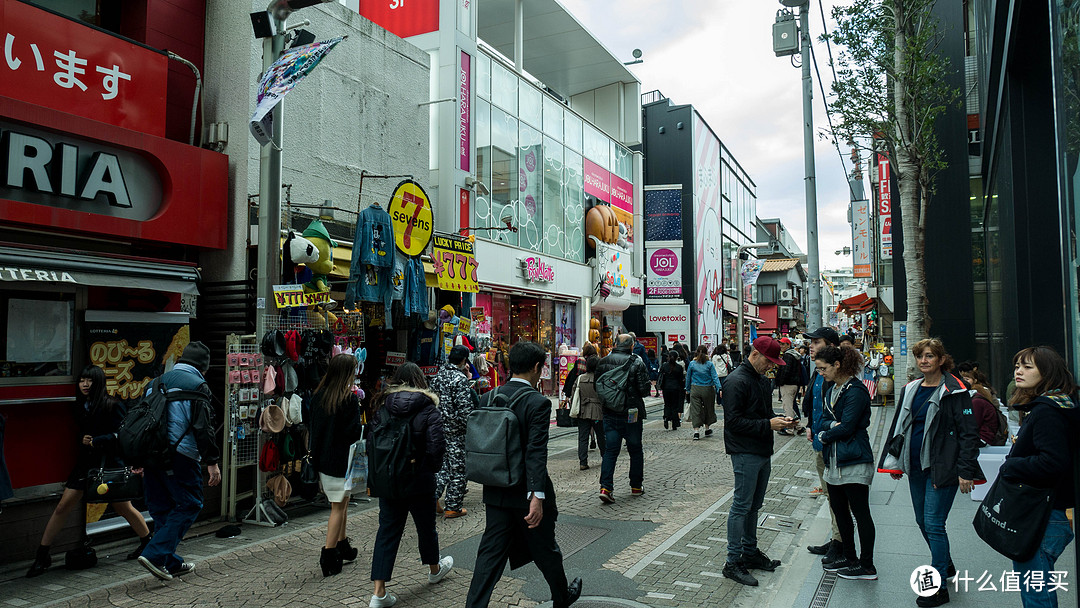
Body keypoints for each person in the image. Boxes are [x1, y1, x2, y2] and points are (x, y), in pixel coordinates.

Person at [465, 341, 582, 608]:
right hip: (525, 493)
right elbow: (536, 453)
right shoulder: (538, 403)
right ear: (537, 367)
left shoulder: (488, 397)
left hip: (495, 491)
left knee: (489, 557)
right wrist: (536, 495)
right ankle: (562, 599)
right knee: (545, 550)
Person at [878, 338, 981, 608]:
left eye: (929, 356)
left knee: (934, 524)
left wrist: (965, 471)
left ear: (941, 359)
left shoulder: (956, 390)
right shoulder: (911, 388)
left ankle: (938, 587)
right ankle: (945, 564)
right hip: (915, 466)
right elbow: (899, 427)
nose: (924, 361)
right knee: (922, 522)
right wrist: (896, 461)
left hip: (943, 467)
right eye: (920, 356)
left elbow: (969, 434)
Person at [25, 366, 152, 578]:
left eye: (89, 380)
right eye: (82, 380)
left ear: (99, 382)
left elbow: (123, 435)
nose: (84, 384)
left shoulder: (113, 405)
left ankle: (147, 542)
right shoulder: (79, 406)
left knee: (124, 508)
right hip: (85, 465)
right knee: (62, 507)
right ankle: (42, 555)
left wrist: (97, 440)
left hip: (108, 464)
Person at [997, 346, 1078, 608]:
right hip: (1055, 510)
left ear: (1048, 371)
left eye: (1028, 366)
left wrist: (1011, 466)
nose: (1018, 371)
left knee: (1036, 591)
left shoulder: (1047, 411)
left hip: (1044, 514)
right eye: (1017, 365)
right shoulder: (1065, 403)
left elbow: (1052, 462)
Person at [368, 362, 451, 608]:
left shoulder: (383, 406)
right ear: (420, 381)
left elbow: (372, 442)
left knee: (387, 531)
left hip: (390, 478)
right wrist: (428, 469)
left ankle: (378, 592)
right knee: (426, 527)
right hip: (419, 479)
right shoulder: (428, 408)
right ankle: (434, 569)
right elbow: (436, 447)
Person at [136, 341, 220, 581]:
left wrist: (138, 457)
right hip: (180, 455)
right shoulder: (197, 385)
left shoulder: (155, 383)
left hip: (152, 455)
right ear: (203, 367)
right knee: (190, 504)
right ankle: (154, 554)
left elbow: (142, 420)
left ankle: (169, 562)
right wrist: (212, 462)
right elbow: (204, 428)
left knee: (162, 507)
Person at [720, 337, 796, 586]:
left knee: (754, 505)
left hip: (762, 449)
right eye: (769, 361)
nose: (770, 366)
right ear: (755, 354)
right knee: (742, 506)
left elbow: (763, 414)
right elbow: (732, 422)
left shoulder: (762, 380)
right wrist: (768, 424)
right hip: (744, 451)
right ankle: (732, 562)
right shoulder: (735, 381)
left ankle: (749, 552)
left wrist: (779, 419)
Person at [813, 345, 877, 580]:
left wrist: (825, 435)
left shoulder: (855, 390)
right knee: (840, 511)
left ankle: (867, 564)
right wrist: (830, 428)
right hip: (835, 459)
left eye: (823, 369)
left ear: (837, 365)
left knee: (861, 513)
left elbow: (849, 426)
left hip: (854, 458)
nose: (821, 373)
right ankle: (849, 557)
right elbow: (824, 420)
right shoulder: (833, 387)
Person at [307, 354, 366, 577]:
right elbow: (352, 432)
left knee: (342, 501)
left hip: (324, 459)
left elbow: (313, 428)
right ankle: (329, 554)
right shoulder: (348, 400)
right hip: (343, 460)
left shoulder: (318, 396)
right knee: (338, 506)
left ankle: (342, 544)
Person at [801, 327, 847, 563]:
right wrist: (810, 424)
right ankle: (836, 539)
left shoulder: (840, 375)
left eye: (816, 341)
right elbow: (813, 401)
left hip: (835, 445)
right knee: (830, 496)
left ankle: (841, 544)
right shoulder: (818, 372)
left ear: (830, 346)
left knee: (837, 497)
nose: (810, 345)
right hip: (820, 441)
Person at [595, 334, 651, 503]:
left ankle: (606, 487)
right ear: (632, 346)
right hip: (631, 413)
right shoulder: (636, 362)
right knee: (635, 450)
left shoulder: (602, 361)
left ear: (615, 344)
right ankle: (635, 486)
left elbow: (597, 386)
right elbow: (644, 390)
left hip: (610, 412)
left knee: (610, 451)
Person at [431, 345, 478, 519]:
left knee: (442, 467)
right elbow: (465, 410)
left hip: (438, 430)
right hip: (456, 432)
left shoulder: (437, 377)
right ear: (464, 360)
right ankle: (453, 506)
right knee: (458, 469)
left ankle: (432, 499)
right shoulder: (459, 379)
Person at [571, 355, 605, 470]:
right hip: (598, 412)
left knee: (582, 437)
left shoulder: (580, 378)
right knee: (601, 435)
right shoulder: (601, 379)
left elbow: (573, 394)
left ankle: (583, 462)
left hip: (583, 411)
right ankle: (605, 457)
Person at [685, 344, 722, 440]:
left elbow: (688, 377)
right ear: (707, 353)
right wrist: (719, 388)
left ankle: (696, 431)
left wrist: (688, 389)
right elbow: (714, 377)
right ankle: (707, 428)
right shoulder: (709, 364)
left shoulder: (692, 364)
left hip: (695, 388)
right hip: (708, 389)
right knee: (708, 408)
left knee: (696, 409)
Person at [776, 338, 804, 435]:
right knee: (790, 406)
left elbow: (785, 370)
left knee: (787, 407)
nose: (781, 346)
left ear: (788, 345)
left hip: (787, 384)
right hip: (794, 384)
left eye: (783, 344)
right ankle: (799, 426)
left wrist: (780, 381)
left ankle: (789, 430)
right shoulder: (794, 355)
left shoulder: (788, 355)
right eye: (780, 344)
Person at [657, 352, 686, 430]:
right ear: (677, 358)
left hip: (666, 388)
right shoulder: (679, 367)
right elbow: (681, 380)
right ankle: (674, 422)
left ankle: (666, 417)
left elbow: (660, 376)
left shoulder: (664, 366)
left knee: (667, 404)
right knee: (674, 405)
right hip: (676, 388)